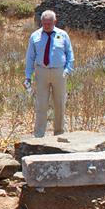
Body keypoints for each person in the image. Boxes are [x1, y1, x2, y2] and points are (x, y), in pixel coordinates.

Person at [24, 10, 75, 138]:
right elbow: (30, 57)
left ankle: (59, 133)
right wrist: (28, 76)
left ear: (55, 22)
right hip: (41, 72)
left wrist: (68, 70)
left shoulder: (63, 35)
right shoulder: (35, 36)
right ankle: (39, 134)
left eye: (49, 23)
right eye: (44, 23)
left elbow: (70, 54)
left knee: (59, 103)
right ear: (41, 22)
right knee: (41, 104)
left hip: (59, 72)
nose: (47, 26)